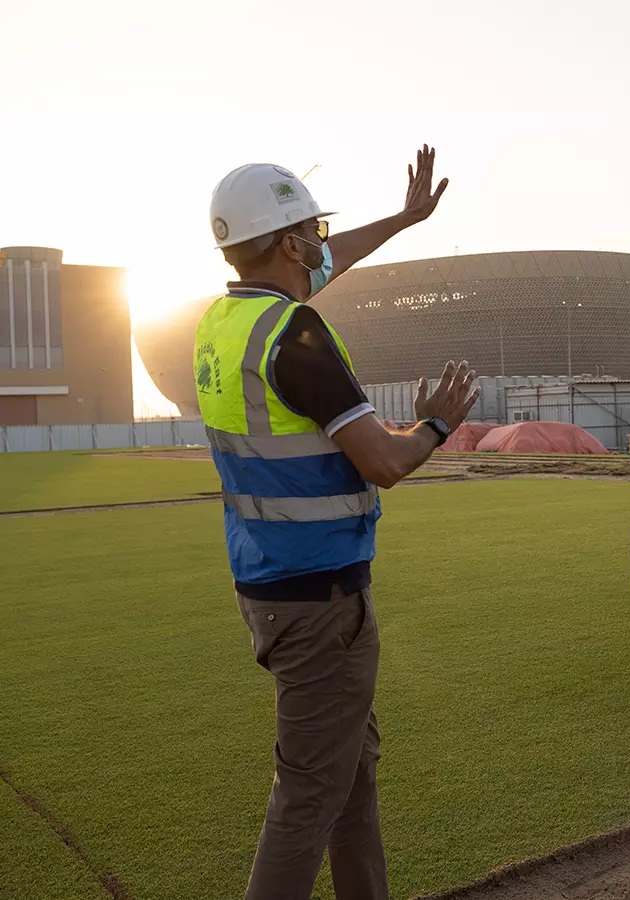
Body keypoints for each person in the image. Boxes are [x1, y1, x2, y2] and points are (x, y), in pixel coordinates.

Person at [196, 148, 479, 900]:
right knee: (309, 799)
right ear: (288, 243)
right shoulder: (298, 337)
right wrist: (436, 426)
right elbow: (383, 462)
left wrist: (407, 218)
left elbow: (326, 264)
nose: (324, 243)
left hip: (273, 584)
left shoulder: (223, 326)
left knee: (351, 779)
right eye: (313, 230)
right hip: (320, 601)